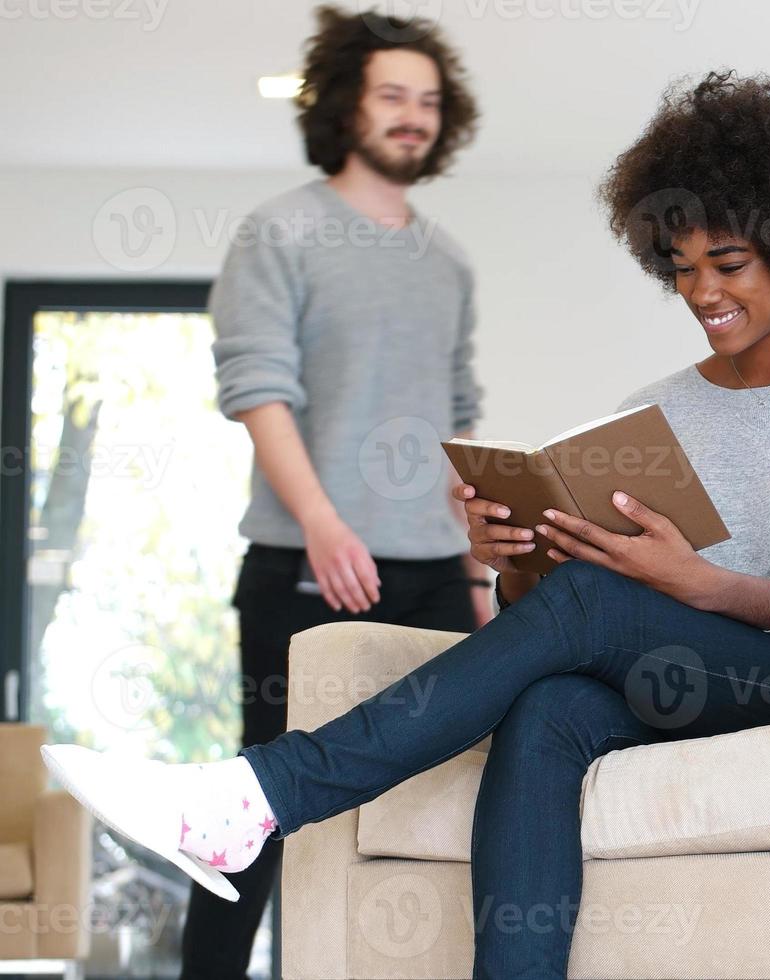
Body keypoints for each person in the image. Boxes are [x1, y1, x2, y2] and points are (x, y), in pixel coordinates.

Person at [45, 69, 770, 978]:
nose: (700, 294)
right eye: (679, 269)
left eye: (728, 265)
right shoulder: (657, 408)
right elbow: (571, 605)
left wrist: (700, 583)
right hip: (677, 672)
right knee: (549, 705)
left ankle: (259, 796)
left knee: (594, 607)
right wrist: (512, 559)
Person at [180, 6, 491, 977]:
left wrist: (481, 571)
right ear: (347, 106)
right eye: (392, 95)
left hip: (436, 574)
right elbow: (257, 388)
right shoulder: (280, 230)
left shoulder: (448, 261)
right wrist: (321, 521)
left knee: (448, 789)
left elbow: (459, 424)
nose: (412, 116)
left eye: (429, 102)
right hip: (303, 564)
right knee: (258, 805)